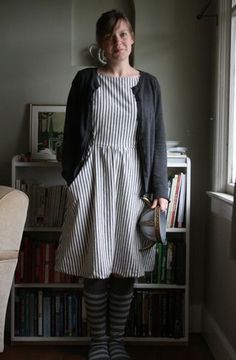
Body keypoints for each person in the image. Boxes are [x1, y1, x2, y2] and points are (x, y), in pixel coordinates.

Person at [55, 9, 169, 360]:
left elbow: (158, 139)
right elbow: (71, 134)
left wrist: (160, 192)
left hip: (132, 181)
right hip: (92, 179)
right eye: (108, 36)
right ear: (101, 45)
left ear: (132, 39)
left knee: (125, 260)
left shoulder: (148, 84)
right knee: (95, 260)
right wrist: (73, 177)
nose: (116, 41)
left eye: (122, 34)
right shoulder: (86, 80)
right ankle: (98, 343)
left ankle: (116, 341)